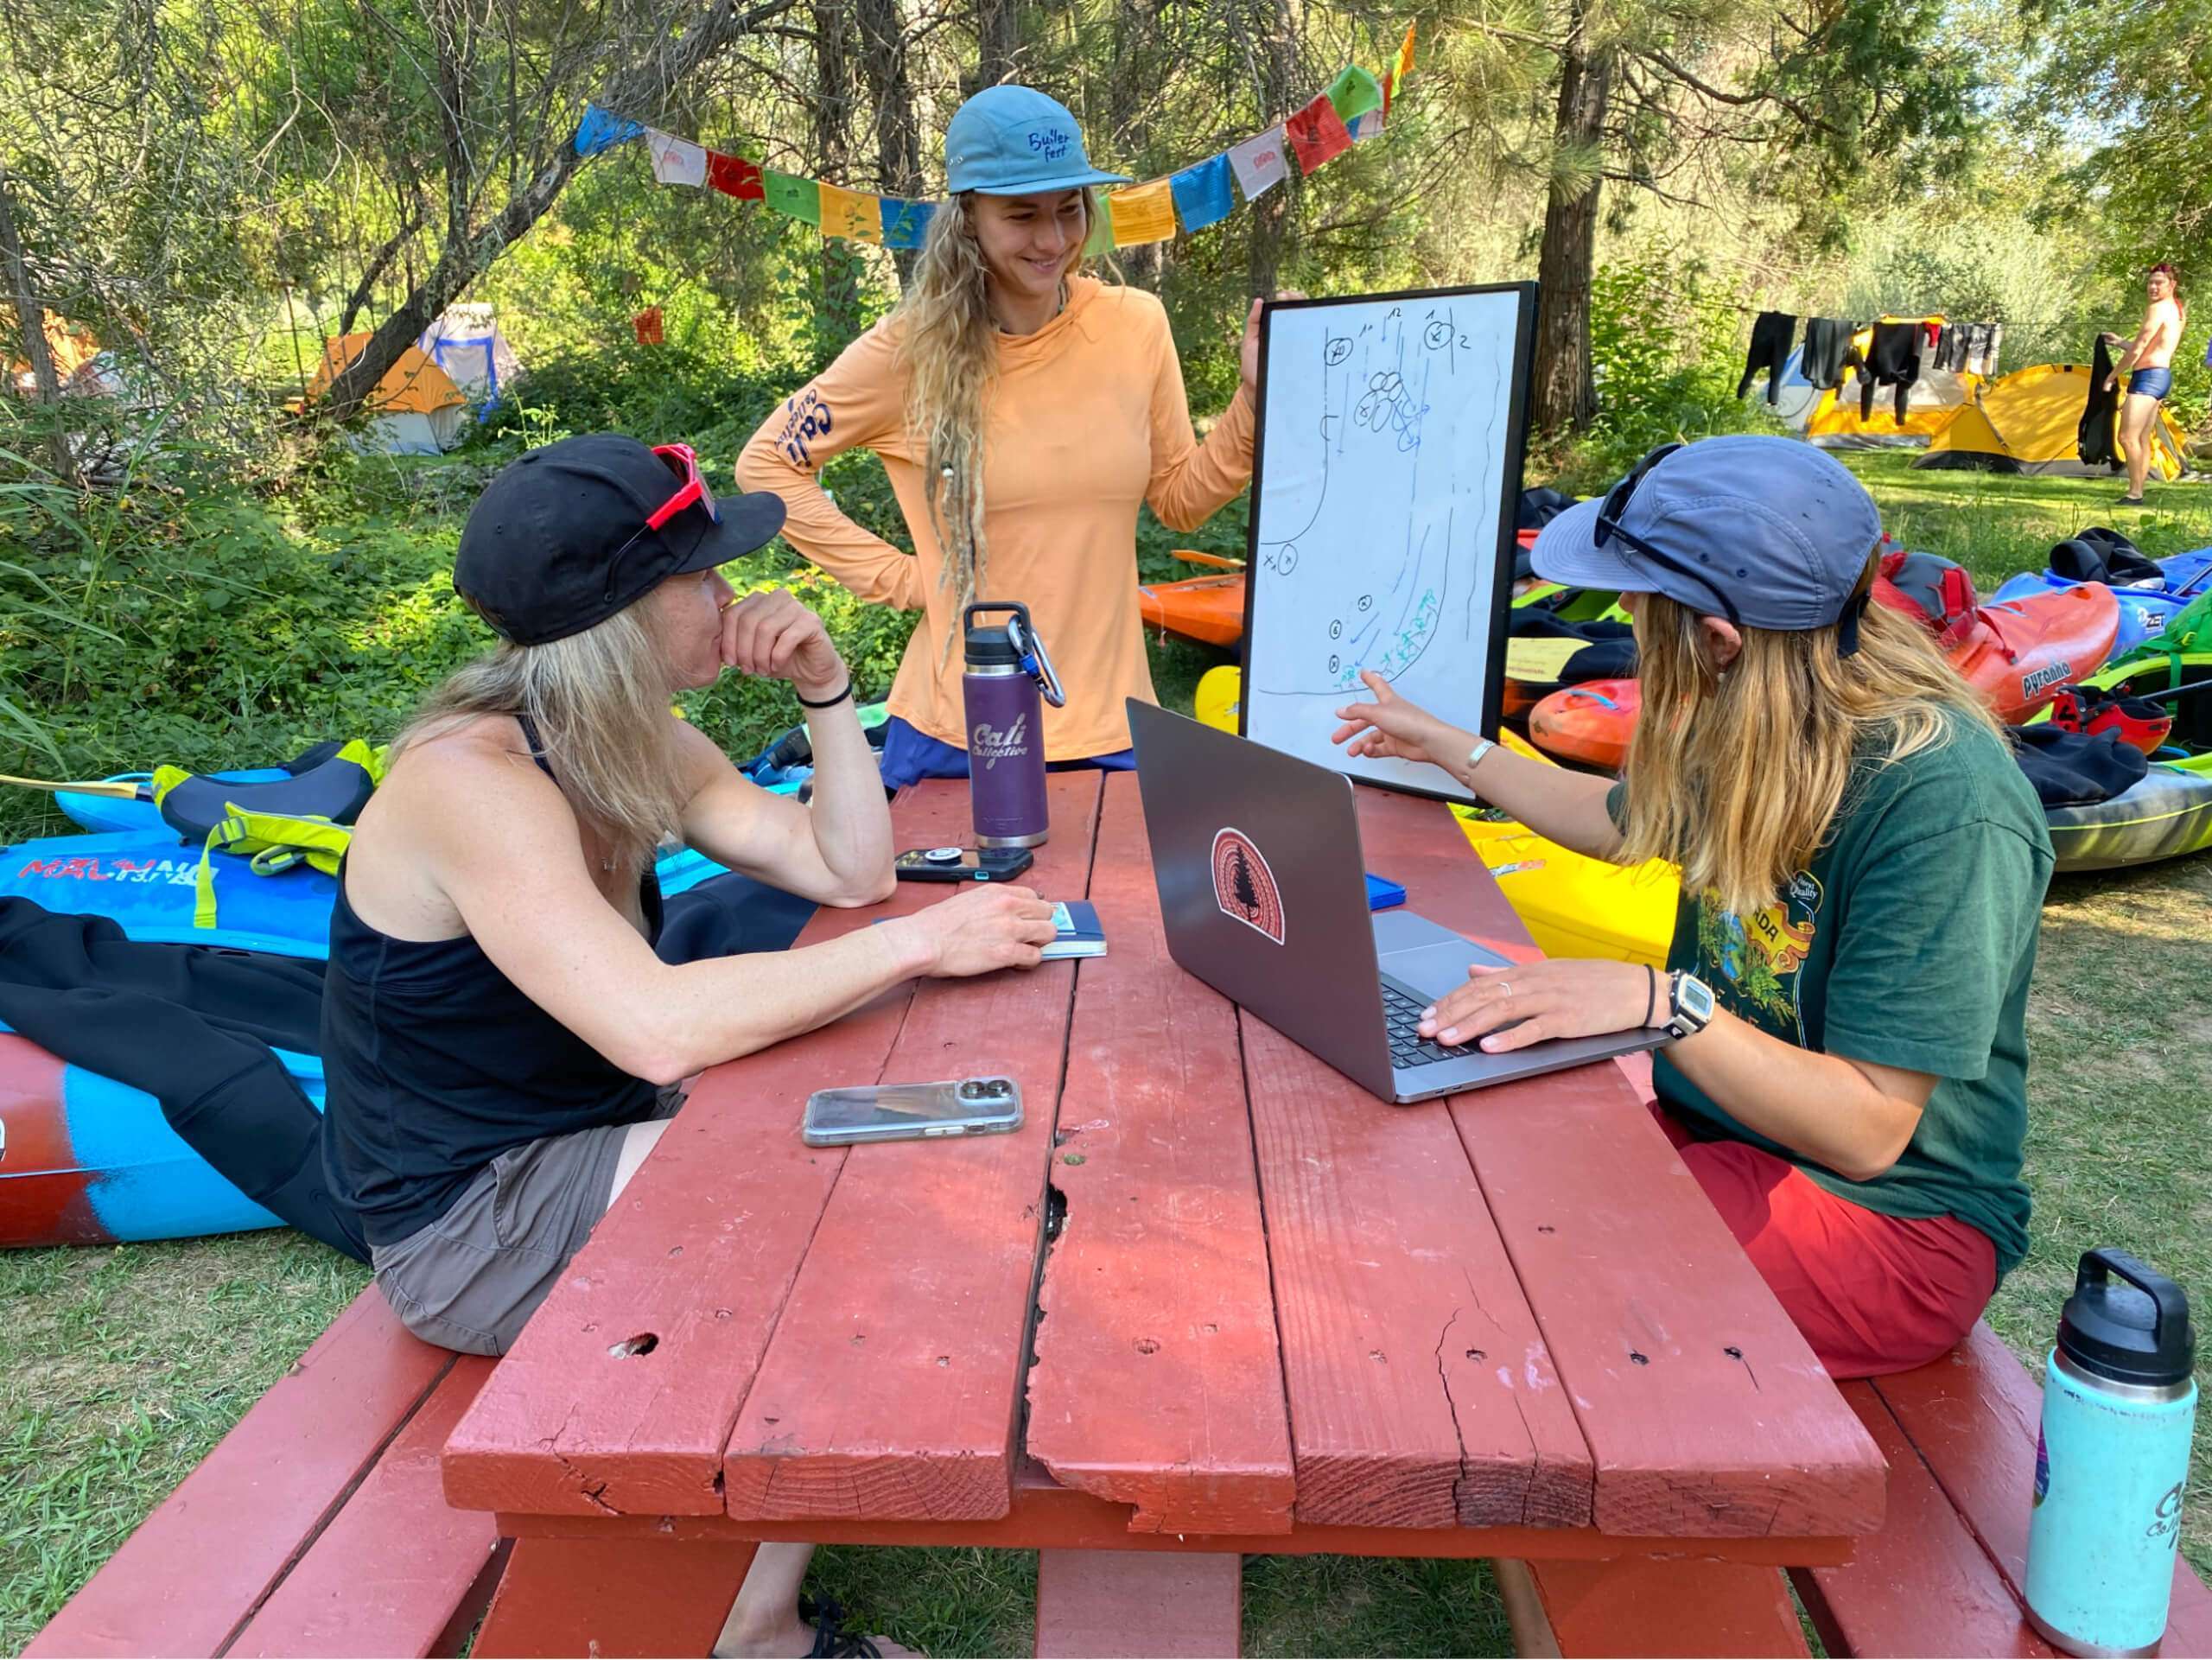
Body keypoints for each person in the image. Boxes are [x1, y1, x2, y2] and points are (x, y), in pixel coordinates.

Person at [321, 432, 1061, 1657]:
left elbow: (851, 867)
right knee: (843, 1200)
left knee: (906, 1116)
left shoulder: (630, 734)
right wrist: (923, 947)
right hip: (476, 1218)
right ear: (620, 613)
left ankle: (867, 1445)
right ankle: (756, 1628)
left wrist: (826, 689)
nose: (731, 595)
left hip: (597, 1137)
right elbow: (656, 1027)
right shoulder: (474, 781)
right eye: (702, 576)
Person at [1330, 436, 2051, 1381]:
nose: (1623, 614)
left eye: (1636, 600)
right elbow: (1615, 819)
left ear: (1717, 637)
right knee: (1469, 1173)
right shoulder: (1768, 704)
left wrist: (1660, 1002)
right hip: (1725, 1139)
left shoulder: (1946, 804)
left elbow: (1870, 1129)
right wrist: (1451, 750)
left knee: (1502, 1266)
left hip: (1890, 1227)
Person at [737, 84, 1278, 790]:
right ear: (967, 218)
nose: (1053, 240)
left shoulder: (1135, 325)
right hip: (960, 732)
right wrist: (905, 579)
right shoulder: (909, 353)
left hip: (1116, 729)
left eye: (1069, 209)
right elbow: (768, 461)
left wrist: (1252, 400)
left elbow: (1180, 498)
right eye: (1022, 215)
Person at [2105, 261, 2186, 506]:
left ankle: (2135, 493)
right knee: (2141, 438)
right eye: (2150, 283)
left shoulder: (2158, 309)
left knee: (2127, 437)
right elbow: (2148, 347)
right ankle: (2137, 490)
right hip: (2160, 376)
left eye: (2159, 283)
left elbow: (2139, 350)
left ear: (2172, 285)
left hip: (2149, 378)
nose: (2153, 287)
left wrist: (2111, 377)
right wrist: (2119, 342)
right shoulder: (2176, 310)